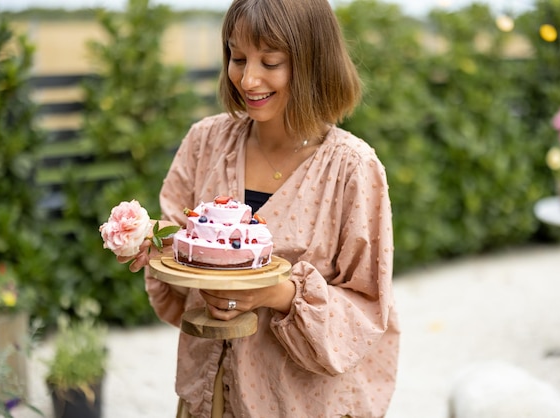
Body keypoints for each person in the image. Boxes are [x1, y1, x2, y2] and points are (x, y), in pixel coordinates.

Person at [125, 0, 400, 416]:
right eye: (237, 58)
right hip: (207, 397)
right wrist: (154, 240)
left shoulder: (353, 169)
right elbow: (178, 264)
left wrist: (277, 293)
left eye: (270, 62)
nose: (248, 79)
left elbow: (367, 309)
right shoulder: (205, 143)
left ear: (313, 63)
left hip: (297, 403)